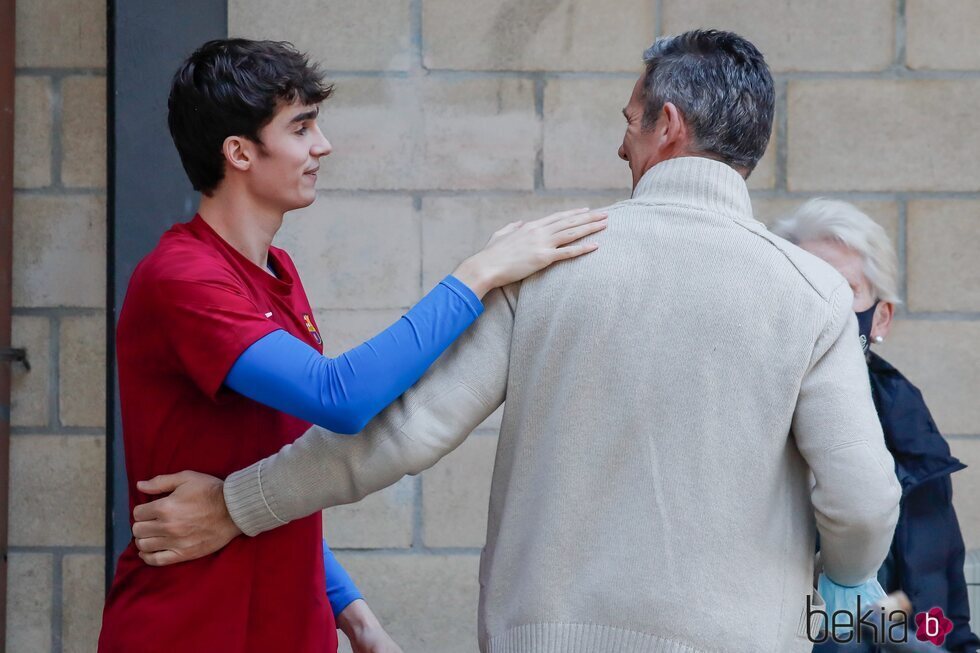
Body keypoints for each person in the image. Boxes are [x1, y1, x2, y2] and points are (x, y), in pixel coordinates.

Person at [130, 30, 903, 653]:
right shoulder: (811, 295)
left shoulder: (553, 260)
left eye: (629, 122)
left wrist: (239, 503)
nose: (620, 148)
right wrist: (844, 578)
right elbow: (863, 500)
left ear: (668, 126)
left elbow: (401, 432)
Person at [98, 39, 607, 653]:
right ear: (239, 152)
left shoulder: (276, 269)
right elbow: (339, 396)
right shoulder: (181, 277)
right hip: (191, 626)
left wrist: (356, 618)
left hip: (291, 625)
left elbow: (278, 471)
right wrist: (479, 272)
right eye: (302, 127)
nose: (323, 145)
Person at [772, 199, 980, 653]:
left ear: (880, 317)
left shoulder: (909, 424)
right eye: (807, 284)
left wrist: (941, 639)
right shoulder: (753, 412)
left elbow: (939, 604)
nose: (826, 308)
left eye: (845, 291)